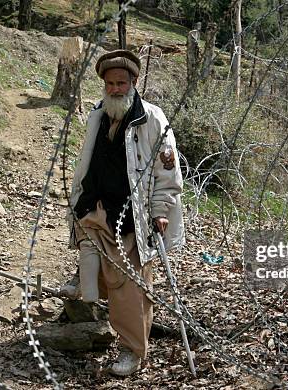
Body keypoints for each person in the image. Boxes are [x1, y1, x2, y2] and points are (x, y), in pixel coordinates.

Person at [61, 49, 185, 376]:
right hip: (95, 208)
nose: (115, 89)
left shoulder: (153, 120)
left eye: (121, 83)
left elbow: (168, 175)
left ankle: (132, 350)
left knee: (131, 289)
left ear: (134, 82)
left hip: (132, 218)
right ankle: (85, 289)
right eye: (110, 83)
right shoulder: (98, 115)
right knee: (90, 263)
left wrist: (160, 212)